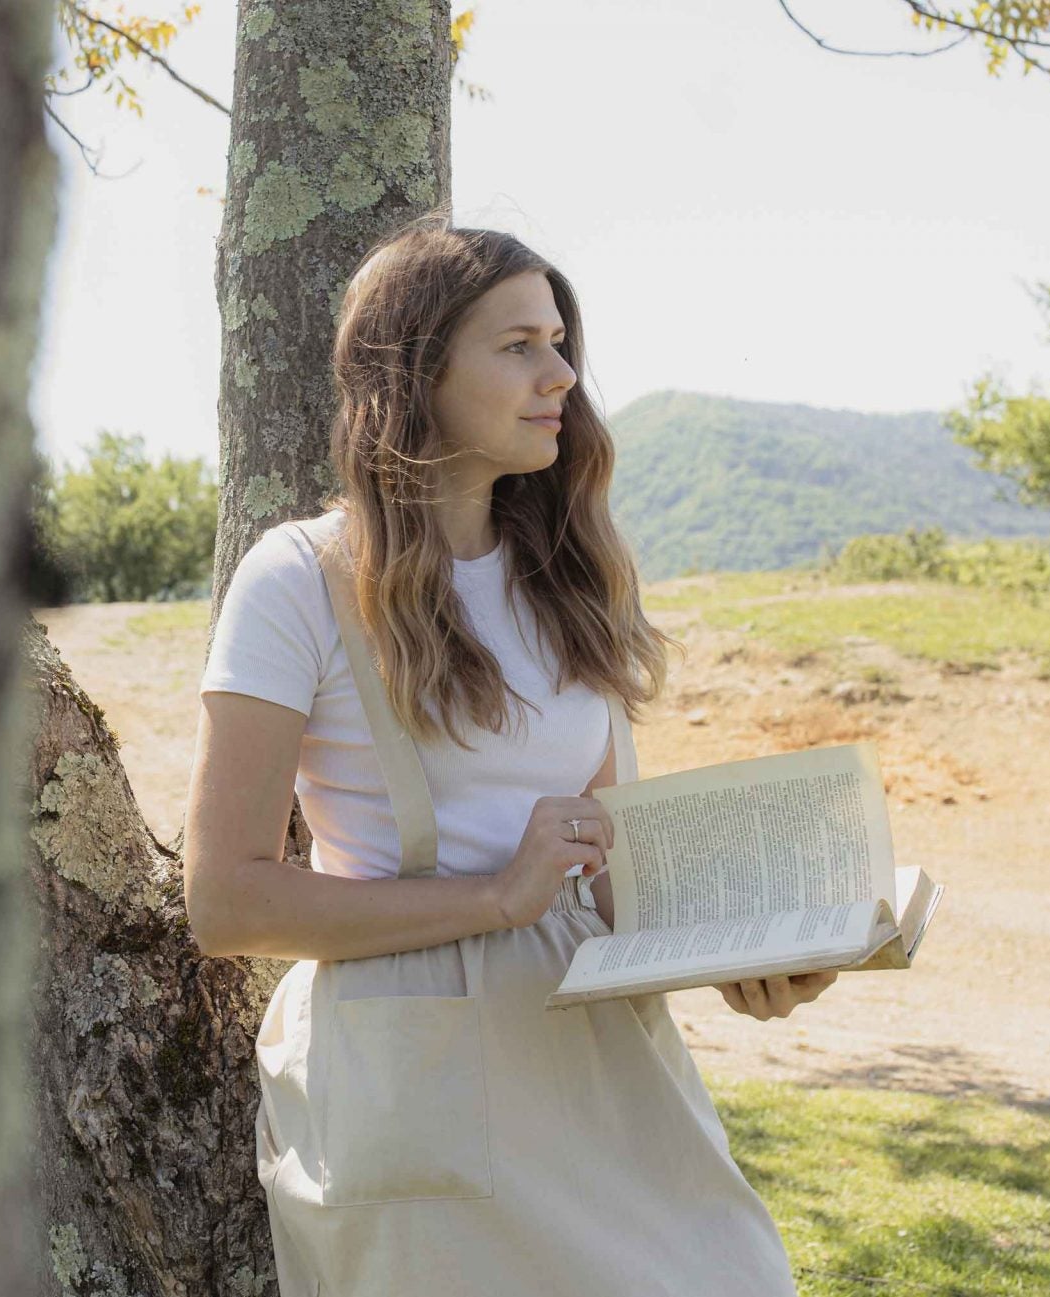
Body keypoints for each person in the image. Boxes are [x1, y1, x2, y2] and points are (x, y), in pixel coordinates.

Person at [183, 214, 837, 1296]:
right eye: (520, 344)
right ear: (416, 371)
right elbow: (225, 901)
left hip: (600, 1056)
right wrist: (495, 896)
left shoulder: (568, 578)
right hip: (416, 1072)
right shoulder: (297, 578)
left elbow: (612, 864)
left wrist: (749, 958)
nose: (563, 376)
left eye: (560, 343)